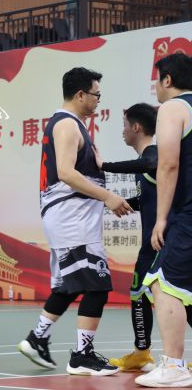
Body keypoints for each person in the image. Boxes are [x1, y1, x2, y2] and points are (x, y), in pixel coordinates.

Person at [18, 67, 132, 376]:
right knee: (97, 285)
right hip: (72, 219)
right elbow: (66, 173)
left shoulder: (71, 125)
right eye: (96, 94)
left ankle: (37, 338)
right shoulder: (67, 125)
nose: (98, 100)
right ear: (80, 94)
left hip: (70, 218)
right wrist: (107, 197)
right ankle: (82, 356)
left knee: (71, 285)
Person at [136, 53, 192, 388]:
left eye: (157, 80)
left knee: (162, 282)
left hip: (188, 214)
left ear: (167, 80)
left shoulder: (173, 108)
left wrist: (160, 219)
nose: (155, 87)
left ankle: (173, 366)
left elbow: (168, 164)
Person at [94, 103, 158, 372]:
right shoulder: (146, 165)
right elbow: (149, 200)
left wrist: (104, 166)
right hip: (150, 245)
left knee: (179, 299)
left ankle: (144, 354)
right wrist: (117, 203)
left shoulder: (153, 155)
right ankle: (141, 354)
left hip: (164, 242)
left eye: (124, 126)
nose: (122, 131)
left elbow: (150, 163)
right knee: (138, 293)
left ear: (136, 127)